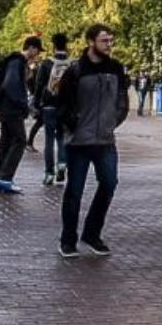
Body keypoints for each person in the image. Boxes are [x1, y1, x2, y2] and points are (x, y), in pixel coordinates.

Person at [57, 24, 130, 257]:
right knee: (74, 191)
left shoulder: (116, 69)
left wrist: (113, 121)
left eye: (110, 40)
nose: (109, 45)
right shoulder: (76, 71)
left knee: (109, 183)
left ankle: (92, 233)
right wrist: (72, 124)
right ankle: (68, 240)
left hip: (105, 140)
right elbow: (63, 103)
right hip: (79, 141)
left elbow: (122, 101)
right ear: (90, 42)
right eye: (104, 41)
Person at [0, 35, 45, 194]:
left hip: (4, 106)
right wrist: (22, 104)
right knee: (20, 140)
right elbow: (11, 85)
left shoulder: (14, 61)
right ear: (31, 48)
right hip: (11, 108)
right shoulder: (17, 62)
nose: (37, 54)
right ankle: (5, 178)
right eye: (37, 50)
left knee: (6, 142)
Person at [31, 33, 72, 186]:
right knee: (62, 136)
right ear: (66, 46)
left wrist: (36, 104)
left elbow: (39, 85)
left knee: (49, 139)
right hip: (65, 106)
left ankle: (49, 173)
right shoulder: (71, 64)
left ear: (53, 46)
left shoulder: (47, 63)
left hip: (49, 105)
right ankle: (62, 163)